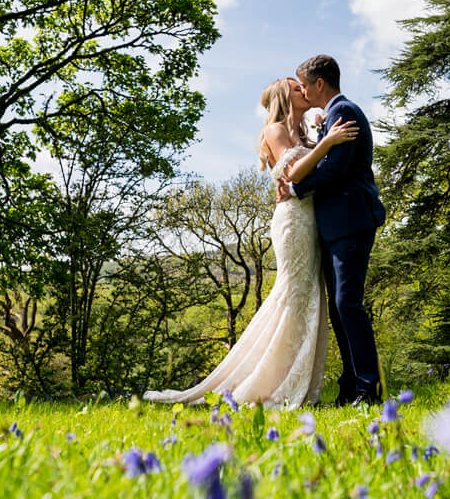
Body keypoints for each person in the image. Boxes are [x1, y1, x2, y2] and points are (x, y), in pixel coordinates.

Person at [143, 78, 360, 409]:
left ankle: (293, 380)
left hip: (311, 220)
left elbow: (314, 174)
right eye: (295, 86)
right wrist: (327, 142)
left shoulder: (303, 132)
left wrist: (319, 139)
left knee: (308, 296)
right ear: (283, 97)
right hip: (292, 221)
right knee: (293, 295)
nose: (303, 89)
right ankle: (271, 383)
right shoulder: (275, 130)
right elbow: (298, 172)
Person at [289, 54, 385, 407]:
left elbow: (336, 170)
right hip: (335, 225)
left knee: (348, 303)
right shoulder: (332, 116)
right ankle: (350, 386)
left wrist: (297, 187)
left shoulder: (343, 112)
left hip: (351, 220)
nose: (301, 90)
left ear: (318, 84)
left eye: (303, 84)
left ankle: (369, 387)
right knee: (338, 308)